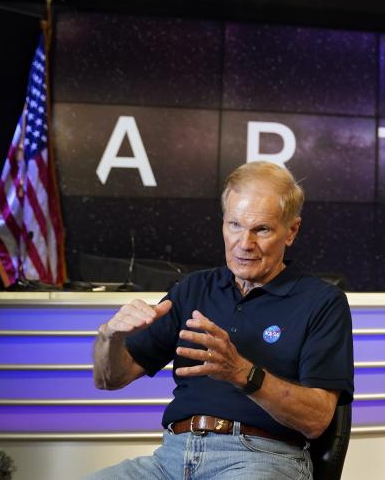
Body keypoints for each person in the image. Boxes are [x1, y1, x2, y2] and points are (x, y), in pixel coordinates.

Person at [87, 161, 354, 479]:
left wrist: (241, 372)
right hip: (171, 457)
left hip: (262, 459)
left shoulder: (322, 302)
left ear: (291, 231)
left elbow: (318, 419)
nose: (244, 243)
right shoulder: (193, 289)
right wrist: (110, 337)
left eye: (262, 229)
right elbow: (109, 379)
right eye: (235, 225)